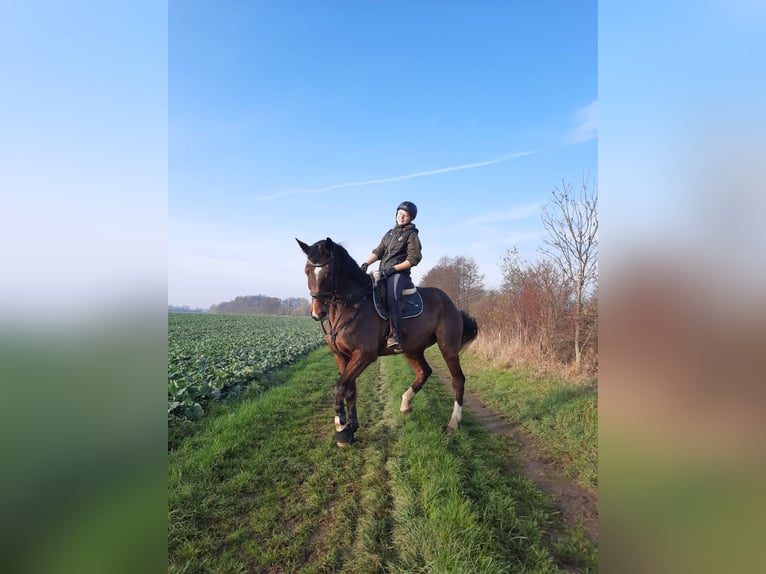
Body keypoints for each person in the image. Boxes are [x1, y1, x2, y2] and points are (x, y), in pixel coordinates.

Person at [360, 201, 422, 352]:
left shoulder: (411, 235)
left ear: (411, 218)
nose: (401, 217)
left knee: (392, 297)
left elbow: (414, 259)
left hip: (399, 274)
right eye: (400, 214)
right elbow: (378, 251)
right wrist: (366, 263)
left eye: (405, 216)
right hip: (383, 272)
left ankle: (396, 337)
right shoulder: (389, 233)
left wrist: (392, 269)